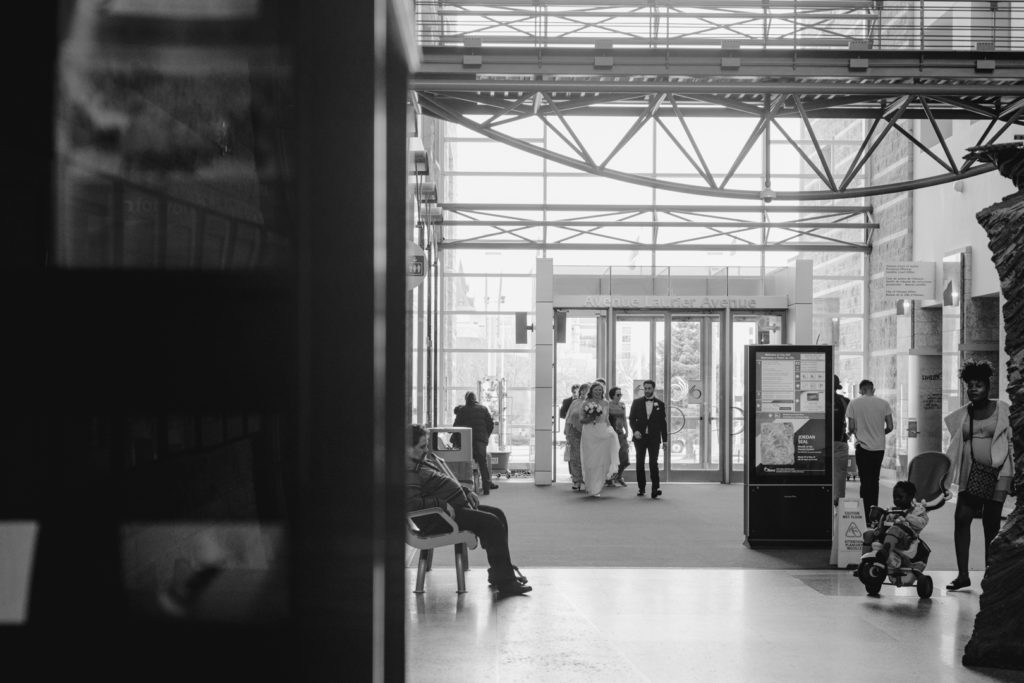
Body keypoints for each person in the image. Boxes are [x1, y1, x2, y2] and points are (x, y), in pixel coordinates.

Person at [406, 424, 531, 596]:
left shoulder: (420, 463)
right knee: (491, 523)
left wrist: (464, 492)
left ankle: (499, 572)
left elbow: (438, 486)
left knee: (497, 514)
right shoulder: (408, 472)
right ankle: (505, 582)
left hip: (450, 511)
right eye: (422, 447)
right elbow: (411, 504)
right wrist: (441, 504)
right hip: (440, 518)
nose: (426, 450)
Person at [942, 359, 1014, 592]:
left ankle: (990, 573)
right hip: (972, 473)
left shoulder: (1003, 409)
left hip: (999, 472)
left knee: (992, 522)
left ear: (988, 387)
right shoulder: (963, 414)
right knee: (962, 518)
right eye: (969, 385)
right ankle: (963, 575)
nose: (973, 389)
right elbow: (955, 446)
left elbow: (1012, 440)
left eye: (978, 385)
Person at [845, 379, 893, 512]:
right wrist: (879, 433)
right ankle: (874, 511)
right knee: (874, 480)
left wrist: (858, 433)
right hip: (879, 448)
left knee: (865, 481)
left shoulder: (853, 403)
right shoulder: (884, 404)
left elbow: (852, 427)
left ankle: (865, 512)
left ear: (861, 390)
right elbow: (890, 426)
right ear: (873, 389)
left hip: (863, 447)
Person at [862, 480, 929, 572]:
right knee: (868, 534)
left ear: (910, 497)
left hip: (907, 540)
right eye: (894, 497)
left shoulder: (918, 511)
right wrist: (880, 522)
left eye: (900, 497)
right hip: (888, 536)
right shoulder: (891, 511)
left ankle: (884, 554)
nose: (896, 499)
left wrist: (905, 515)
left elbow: (921, 524)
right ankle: (865, 564)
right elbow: (883, 523)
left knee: (895, 529)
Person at [629, 379, 668, 499]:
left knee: (653, 463)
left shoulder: (660, 404)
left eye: (649, 388)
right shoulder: (636, 402)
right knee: (640, 463)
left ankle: (655, 489)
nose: (647, 391)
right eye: (645, 388)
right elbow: (631, 419)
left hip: (654, 438)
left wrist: (665, 440)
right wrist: (635, 431)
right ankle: (641, 488)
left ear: (653, 389)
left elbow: (663, 423)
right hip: (640, 437)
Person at [453, 391, 498, 494]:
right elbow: (490, 424)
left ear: (466, 399)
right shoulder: (483, 409)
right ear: (475, 398)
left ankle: (467, 486)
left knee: (467, 461)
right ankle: (486, 488)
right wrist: (485, 436)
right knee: (483, 463)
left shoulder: (462, 410)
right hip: (480, 440)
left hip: (467, 440)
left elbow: (456, 427)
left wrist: (458, 440)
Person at [579, 381, 618, 497]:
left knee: (602, 460)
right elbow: (581, 420)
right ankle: (590, 485)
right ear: (591, 391)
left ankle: (598, 486)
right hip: (589, 432)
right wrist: (591, 417)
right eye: (596, 390)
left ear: (602, 392)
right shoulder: (586, 403)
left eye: (600, 390)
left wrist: (611, 429)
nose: (598, 392)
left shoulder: (606, 403)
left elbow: (606, 419)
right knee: (590, 460)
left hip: (602, 432)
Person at [564, 382, 590, 491]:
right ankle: (576, 480)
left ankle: (586, 479)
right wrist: (567, 431)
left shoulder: (592, 403)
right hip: (574, 433)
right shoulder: (575, 402)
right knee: (575, 457)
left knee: (585, 457)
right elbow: (569, 417)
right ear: (581, 391)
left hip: (587, 433)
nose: (585, 392)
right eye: (584, 389)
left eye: (588, 390)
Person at [832, 375, 851, 505]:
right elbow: (852, 423)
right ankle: (838, 505)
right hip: (840, 442)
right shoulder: (845, 401)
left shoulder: (814, 399)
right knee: (839, 476)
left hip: (817, 444)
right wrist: (848, 433)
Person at [607, 386, 630, 487]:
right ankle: (610, 478)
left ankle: (619, 476)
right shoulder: (608, 405)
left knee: (624, 455)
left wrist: (627, 430)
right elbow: (606, 420)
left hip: (621, 433)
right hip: (611, 434)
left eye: (621, 394)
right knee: (612, 456)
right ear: (612, 395)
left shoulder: (622, 405)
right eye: (618, 394)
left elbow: (624, 419)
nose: (620, 396)